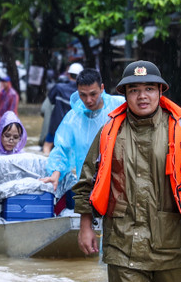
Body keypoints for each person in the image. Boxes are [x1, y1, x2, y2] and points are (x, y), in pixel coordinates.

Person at [73, 60, 181, 282]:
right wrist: (86, 225)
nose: (142, 96)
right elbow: (88, 181)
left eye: (149, 89)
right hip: (122, 243)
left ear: (160, 92)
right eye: (134, 90)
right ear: (125, 95)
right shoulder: (109, 133)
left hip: (173, 243)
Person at [40, 68, 124, 206]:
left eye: (93, 94)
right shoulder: (73, 118)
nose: (88, 100)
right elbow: (62, 148)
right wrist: (55, 173)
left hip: (119, 180)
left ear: (102, 88)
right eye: (83, 95)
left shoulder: (120, 106)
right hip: (89, 183)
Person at [42, 63, 83, 154]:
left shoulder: (58, 87)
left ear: (69, 74)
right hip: (73, 128)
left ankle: (45, 160)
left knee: (47, 145)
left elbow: (50, 101)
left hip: (56, 125)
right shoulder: (82, 92)